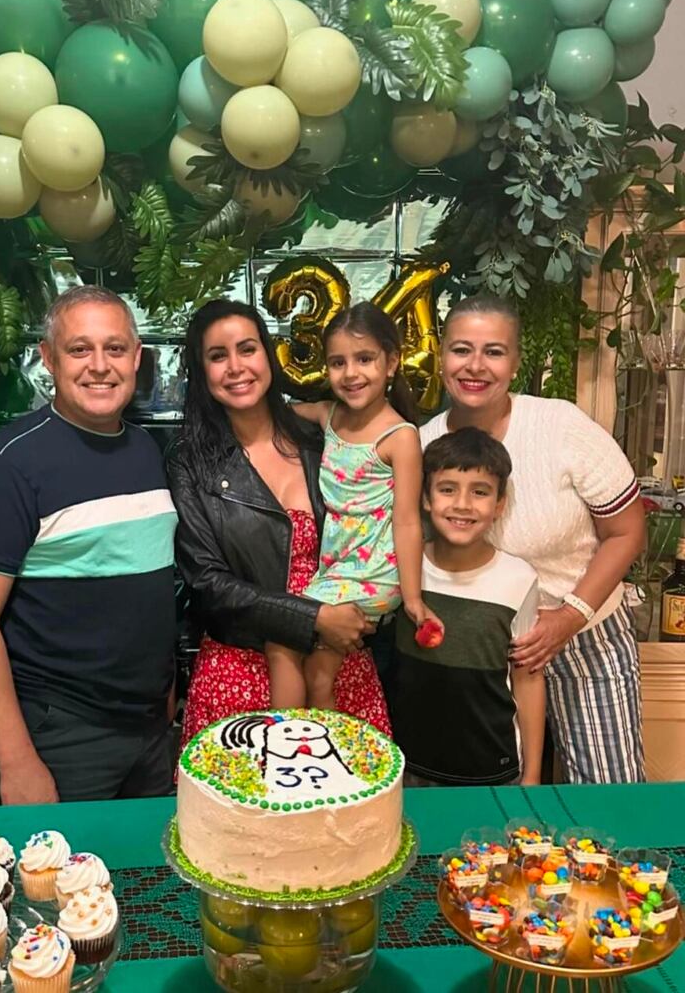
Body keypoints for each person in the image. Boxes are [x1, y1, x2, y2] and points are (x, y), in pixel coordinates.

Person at [0, 285, 178, 804]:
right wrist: (17, 762)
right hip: (64, 734)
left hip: (149, 727)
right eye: (79, 349)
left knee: (150, 857)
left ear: (136, 357)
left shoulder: (144, 448)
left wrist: (163, 692)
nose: (100, 366)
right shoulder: (6, 466)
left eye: (115, 348)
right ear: (48, 358)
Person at [421, 293, 646, 784]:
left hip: (585, 631)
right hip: (480, 648)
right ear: (441, 356)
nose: (475, 366)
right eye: (461, 350)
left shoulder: (559, 425)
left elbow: (627, 531)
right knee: (492, 797)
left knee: (608, 789)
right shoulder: (422, 445)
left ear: (516, 361)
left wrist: (569, 616)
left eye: (494, 351)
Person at [167, 299, 392, 745]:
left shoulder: (320, 438)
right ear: (202, 370)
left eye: (247, 349)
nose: (236, 367)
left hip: (339, 667)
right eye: (218, 356)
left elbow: (377, 527)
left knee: (347, 788)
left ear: (268, 355)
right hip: (240, 677)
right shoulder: (191, 461)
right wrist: (312, 617)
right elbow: (206, 581)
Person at [267, 302, 434, 709]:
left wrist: (413, 598)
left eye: (365, 359)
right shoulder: (329, 415)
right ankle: (310, 736)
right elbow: (275, 413)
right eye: (338, 362)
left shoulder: (399, 437)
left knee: (287, 639)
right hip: (339, 568)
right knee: (312, 665)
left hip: (373, 573)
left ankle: (298, 739)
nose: (351, 373)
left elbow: (408, 522)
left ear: (391, 363)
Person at [390, 428, 545, 786]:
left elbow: (528, 678)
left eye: (480, 492)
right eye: (447, 489)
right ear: (425, 498)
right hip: (406, 767)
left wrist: (533, 774)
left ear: (500, 504)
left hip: (491, 769)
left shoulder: (518, 579)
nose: (462, 504)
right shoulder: (403, 568)